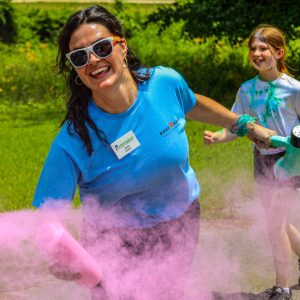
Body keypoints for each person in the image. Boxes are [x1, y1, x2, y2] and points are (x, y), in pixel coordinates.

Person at [32, 6, 275, 300]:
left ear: (121, 46)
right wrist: (55, 253)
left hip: (181, 219)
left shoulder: (163, 83)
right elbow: (47, 217)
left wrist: (243, 125)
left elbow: (191, 102)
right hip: (115, 242)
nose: (93, 60)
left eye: (101, 47)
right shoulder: (73, 140)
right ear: (75, 68)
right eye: (80, 56)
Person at [204, 24, 300, 300]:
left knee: (275, 225)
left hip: (289, 162)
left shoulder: (294, 90)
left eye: (263, 49)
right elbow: (236, 125)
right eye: (253, 49)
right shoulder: (246, 90)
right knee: (279, 222)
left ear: (279, 52)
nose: (257, 53)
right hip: (262, 162)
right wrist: (217, 137)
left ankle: (282, 288)